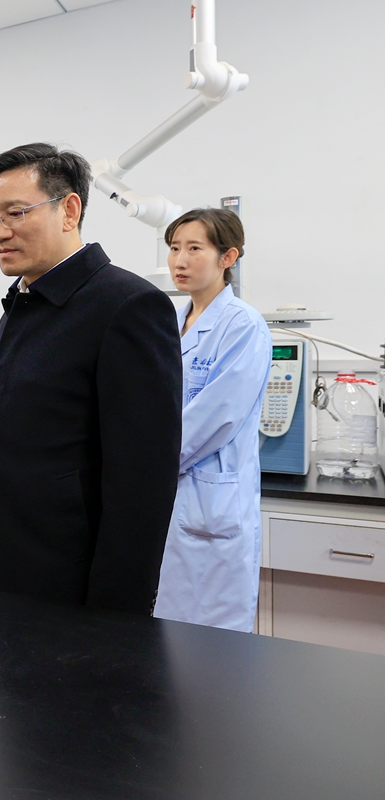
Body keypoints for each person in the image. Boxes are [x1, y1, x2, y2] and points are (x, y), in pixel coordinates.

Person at [0, 143, 182, 614]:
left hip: (64, 582)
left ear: (69, 210)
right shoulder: (23, 302)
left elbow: (141, 486)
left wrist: (115, 615)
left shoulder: (126, 306)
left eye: (15, 213)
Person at [153, 209, 271, 632]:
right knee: (162, 636)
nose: (180, 260)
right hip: (168, 494)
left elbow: (217, 418)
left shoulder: (243, 326)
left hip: (208, 501)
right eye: (174, 248)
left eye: (194, 248)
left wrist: (148, 465)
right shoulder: (169, 322)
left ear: (228, 257)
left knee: (210, 643)